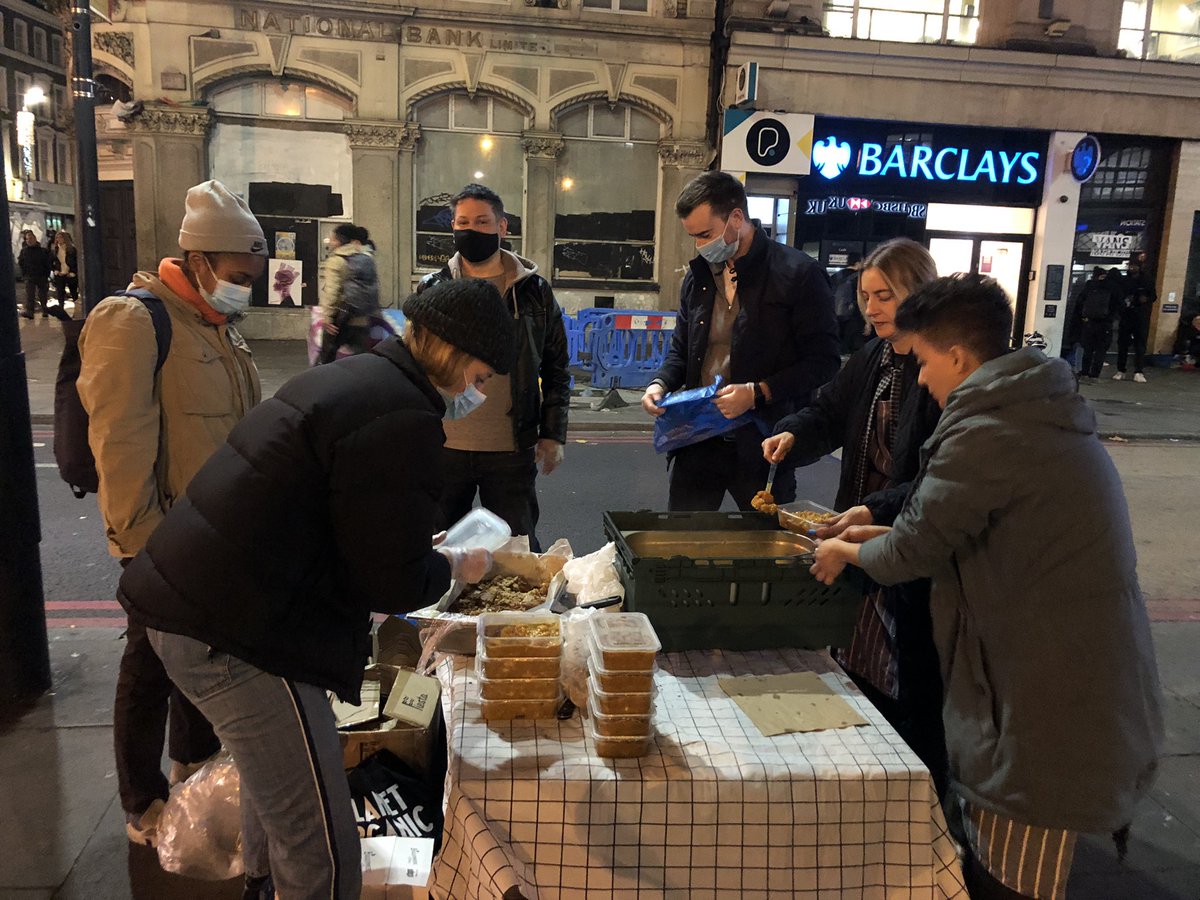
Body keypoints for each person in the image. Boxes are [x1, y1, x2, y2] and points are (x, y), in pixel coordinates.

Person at [118, 278, 513, 900]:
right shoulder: (403, 415)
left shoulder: (355, 381)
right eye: (484, 377)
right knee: (321, 841)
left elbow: (340, 522)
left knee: (275, 781)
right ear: (456, 357)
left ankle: (260, 882)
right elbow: (391, 580)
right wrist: (456, 566)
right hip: (239, 632)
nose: (481, 393)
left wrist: (409, 545)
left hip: (201, 604)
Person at [811, 274, 1163, 900]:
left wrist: (845, 550)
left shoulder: (989, 430)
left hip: (1044, 688)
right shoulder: (1027, 410)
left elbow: (916, 548)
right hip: (1065, 669)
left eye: (922, 361)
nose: (919, 378)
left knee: (1012, 875)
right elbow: (940, 523)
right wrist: (872, 525)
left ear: (956, 356)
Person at [76, 180, 267, 848]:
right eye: (239, 275)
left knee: (200, 660)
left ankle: (192, 768)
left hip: (215, 538)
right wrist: (144, 549)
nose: (246, 287)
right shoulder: (134, 322)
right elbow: (120, 447)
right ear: (198, 261)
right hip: (163, 544)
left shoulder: (218, 329)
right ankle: (141, 801)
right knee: (148, 665)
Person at [761, 238, 945, 788]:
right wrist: (792, 432)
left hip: (907, 533)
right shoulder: (873, 358)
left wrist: (877, 508)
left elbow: (940, 477)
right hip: (859, 526)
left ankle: (921, 785)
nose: (872, 307)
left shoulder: (938, 369)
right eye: (866, 295)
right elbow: (828, 410)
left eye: (885, 295)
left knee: (912, 669)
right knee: (859, 657)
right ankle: (867, 773)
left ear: (919, 291)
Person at [641, 171, 840, 511]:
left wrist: (758, 392)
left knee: (763, 548)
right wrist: (659, 383)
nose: (700, 246)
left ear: (736, 217)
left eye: (706, 234)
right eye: (693, 237)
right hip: (698, 438)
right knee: (683, 543)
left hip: (763, 440)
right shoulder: (699, 278)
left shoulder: (798, 274)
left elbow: (823, 362)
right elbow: (682, 350)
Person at [417, 183, 570, 552]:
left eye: (482, 221)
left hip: (510, 447)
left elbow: (556, 366)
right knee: (438, 548)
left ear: (502, 227)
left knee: (517, 549)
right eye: (462, 221)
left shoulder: (534, 291)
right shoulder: (433, 288)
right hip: (445, 445)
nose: (471, 230)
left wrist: (552, 434)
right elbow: (416, 366)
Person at [316, 223, 380, 365]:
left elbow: (332, 292)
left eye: (333, 239)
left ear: (339, 241)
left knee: (326, 358)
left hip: (341, 317)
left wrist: (327, 317)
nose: (331, 242)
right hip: (362, 316)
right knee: (361, 359)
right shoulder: (366, 257)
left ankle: (322, 383)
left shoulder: (337, 260)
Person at [1073, 265, 1122, 381]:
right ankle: (1094, 375)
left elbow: (1080, 301)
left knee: (1088, 349)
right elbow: (1120, 306)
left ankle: (1084, 373)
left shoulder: (1090, 285)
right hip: (1105, 323)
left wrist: (1083, 317)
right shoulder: (1114, 287)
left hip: (1089, 322)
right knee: (1100, 350)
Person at [1113, 256, 1157, 382]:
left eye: (1134, 266)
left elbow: (1153, 296)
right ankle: (1121, 369)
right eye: (1130, 266)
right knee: (1122, 344)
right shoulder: (1124, 280)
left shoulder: (1147, 281)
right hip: (1126, 315)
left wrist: (1145, 299)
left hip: (1141, 315)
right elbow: (1119, 296)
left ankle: (1138, 371)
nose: (1132, 268)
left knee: (1140, 344)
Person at [17, 229, 52, 318]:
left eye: (31, 238)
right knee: (30, 295)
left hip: (41, 275)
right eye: (28, 239)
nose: (30, 240)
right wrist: (25, 274)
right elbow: (21, 262)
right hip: (30, 276)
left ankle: (45, 309)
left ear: (35, 239)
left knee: (43, 294)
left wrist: (46, 274)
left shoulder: (42, 251)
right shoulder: (24, 251)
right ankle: (30, 311)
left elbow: (47, 262)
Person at [52, 230, 79, 308]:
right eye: (57, 238)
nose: (59, 239)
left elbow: (75, 261)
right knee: (60, 293)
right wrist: (55, 270)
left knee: (74, 293)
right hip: (60, 274)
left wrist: (73, 272)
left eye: (61, 237)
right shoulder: (55, 249)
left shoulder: (71, 249)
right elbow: (52, 261)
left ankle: (77, 309)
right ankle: (61, 309)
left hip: (70, 274)